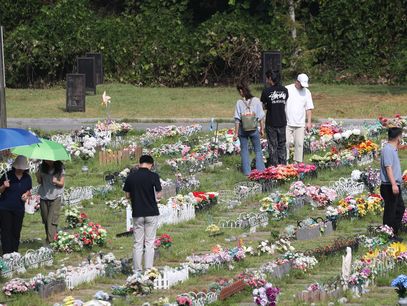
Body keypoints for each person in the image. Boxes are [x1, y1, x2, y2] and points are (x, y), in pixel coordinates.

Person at [123, 155, 162, 271]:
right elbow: (159, 194)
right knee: (150, 242)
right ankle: (149, 269)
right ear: (150, 164)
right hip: (151, 212)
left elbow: (127, 195)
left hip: (137, 212)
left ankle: (137, 269)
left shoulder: (131, 176)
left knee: (138, 242)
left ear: (140, 163)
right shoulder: (153, 176)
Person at [0, 156, 32, 254]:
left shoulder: (27, 177)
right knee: (6, 230)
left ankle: (15, 251)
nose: (20, 169)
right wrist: (4, 186)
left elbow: (29, 190)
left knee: (16, 230)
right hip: (5, 207)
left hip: (19, 208)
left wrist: (26, 195)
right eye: (19, 167)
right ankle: (7, 252)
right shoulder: (7, 175)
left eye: (22, 168)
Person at [234, 83, 266, 176]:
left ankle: (247, 172)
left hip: (243, 130)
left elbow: (237, 119)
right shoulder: (256, 101)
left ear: (241, 91)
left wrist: (236, 133)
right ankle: (260, 171)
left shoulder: (239, 102)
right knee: (258, 150)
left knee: (244, 150)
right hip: (253, 129)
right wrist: (262, 129)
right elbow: (261, 117)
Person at [380, 127, 404, 241]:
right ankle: (388, 235)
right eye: (401, 136)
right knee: (390, 211)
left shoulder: (393, 149)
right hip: (389, 185)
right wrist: (394, 184)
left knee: (399, 208)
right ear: (398, 137)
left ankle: (393, 232)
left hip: (394, 185)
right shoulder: (388, 149)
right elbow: (388, 167)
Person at [261, 70, 289, 166]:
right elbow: (284, 102)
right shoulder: (285, 90)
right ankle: (283, 167)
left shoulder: (266, 91)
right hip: (282, 121)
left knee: (273, 146)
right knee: (282, 145)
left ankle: (275, 168)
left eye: (267, 78)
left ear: (270, 78)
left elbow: (263, 106)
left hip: (271, 122)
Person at [285, 73, 314, 163]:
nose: (302, 87)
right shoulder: (287, 89)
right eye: (301, 84)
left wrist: (308, 122)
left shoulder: (307, 92)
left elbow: (308, 108)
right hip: (287, 122)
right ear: (297, 81)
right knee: (285, 143)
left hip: (300, 123)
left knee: (299, 144)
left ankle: (297, 163)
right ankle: (285, 161)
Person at [36, 160, 65, 244]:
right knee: (45, 220)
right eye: (46, 159)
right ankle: (50, 238)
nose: (48, 161)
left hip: (56, 197)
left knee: (51, 220)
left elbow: (62, 183)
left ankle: (51, 242)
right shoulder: (41, 167)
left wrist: (56, 182)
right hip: (44, 196)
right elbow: (40, 182)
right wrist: (38, 176)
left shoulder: (60, 168)